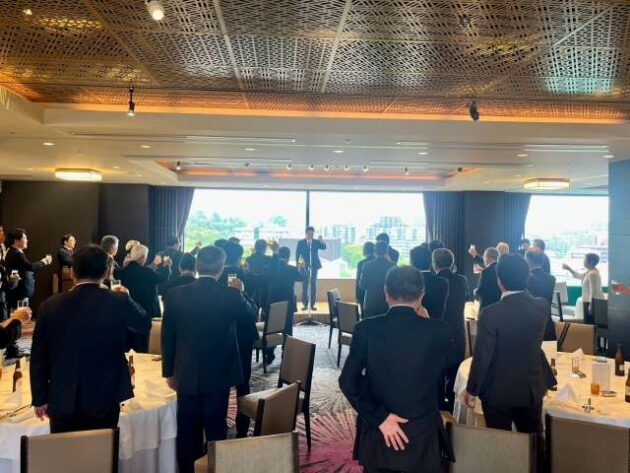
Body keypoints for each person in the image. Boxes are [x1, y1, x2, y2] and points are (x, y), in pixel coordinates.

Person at [340, 266, 453, 473]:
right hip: (423, 437)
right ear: (422, 295)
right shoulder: (440, 331)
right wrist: (426, 320)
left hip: (378, 437)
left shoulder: (365, 329)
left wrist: (380, 418)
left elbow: (348, 381)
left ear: (386, 293)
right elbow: (442, 370)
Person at [30, 245, 150, 433]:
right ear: (106, 272)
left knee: (62, 449)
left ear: (72, 272)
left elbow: (39, 356)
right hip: (106, 394)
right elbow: (144, 324)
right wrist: (128, 297)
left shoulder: (49, 305)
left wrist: (39, 398)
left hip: (63, 396)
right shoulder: (118, 301)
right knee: (103, 448)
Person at [162, 245, 257, 473]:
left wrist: (168, 372)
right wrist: (241, 291)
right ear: (221, 268)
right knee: (215, 429)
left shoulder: (175, 295)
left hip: (185, 371)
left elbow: (167, 336)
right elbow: (251, 315)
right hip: (220, 373)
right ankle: (216, 467)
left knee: (187, 429)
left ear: (197, 266)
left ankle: (187, 469)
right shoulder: (231, 295)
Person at [464, 255, 555, 449]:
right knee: (533, 444)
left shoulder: (490, 313)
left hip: (497, 391)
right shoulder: (541, 306)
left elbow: (483, 356)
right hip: (531, 387)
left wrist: (472, 389)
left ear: (499, 281)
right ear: (527, 277)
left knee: (500, 448)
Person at [433, 248, 469, 413]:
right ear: (452, 262)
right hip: (457, 331)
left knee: (438, 373)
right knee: (455, 372)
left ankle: (440, 407)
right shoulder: (461, 280)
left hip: (439, 332)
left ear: (435, 264)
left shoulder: (434, 282)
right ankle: (454, 410)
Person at [118, 244, 170, 352]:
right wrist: (166, 266)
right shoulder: (147, 272)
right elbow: (162, 277)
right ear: (142, 258)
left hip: (126, 311)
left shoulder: (122, 272)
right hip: (146, 312)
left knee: (127, 345)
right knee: (143, 346)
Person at [5, 228, 52, 311]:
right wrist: (44, 261)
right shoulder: (16, 253)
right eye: (24, 238)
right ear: (16, 240)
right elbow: (30, 267)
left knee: (20, 313)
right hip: (20, 292)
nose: (27, 240)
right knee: (21, 314)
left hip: (19, 291)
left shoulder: (14, 252)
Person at [267, 246, 302, 336]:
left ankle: (271, 343)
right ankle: (287, 342)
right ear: (288, 257)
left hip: (273, 299)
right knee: (288, 325)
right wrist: (301, 267)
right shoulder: (292, 269)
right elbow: (303, 277)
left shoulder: (270, 268)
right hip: (288, 300)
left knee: (272, 325)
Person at [409, 243, 448, 320]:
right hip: (436, 324)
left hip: (414, 324)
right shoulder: (442, 282)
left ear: (412, 263)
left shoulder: (409, 282)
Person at [562, 253, 604, 324]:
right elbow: (580, 276)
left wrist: (591, 305)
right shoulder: (590, 272)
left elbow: (594, 291)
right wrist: (568, 269)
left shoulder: (593, 274)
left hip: (591, 302)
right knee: (588, 322)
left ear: (591, 262)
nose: (583, 261)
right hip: (589, 302)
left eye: (585, 259)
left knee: (590, 323)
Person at [359, 241, 396, 319]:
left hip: (370, 303)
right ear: (387, 251)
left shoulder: (367, 265)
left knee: (370, 325)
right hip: (387, 303)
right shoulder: (393, 266)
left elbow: (362, 286)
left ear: (375, 251)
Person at [526, 249, 557, 341]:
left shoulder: (526, 278)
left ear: (528, 260)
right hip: (547, 322)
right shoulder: (551, 279)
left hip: (530, 324)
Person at [296, 227, 327, 311]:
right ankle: (305, 304)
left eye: (312, 234)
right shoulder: (301, 242)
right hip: (304, 266)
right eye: (309, 233)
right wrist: (299, 266)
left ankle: (312, 304)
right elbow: (298, 255)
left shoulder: (316, 242)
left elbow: (324, 247)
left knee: (313, 285)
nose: (311, 235)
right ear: (306, 233)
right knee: (305, 285)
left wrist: (321, 240)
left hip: (314, 266)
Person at [356, 242, 375, 313]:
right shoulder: (378, 262)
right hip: (378, 296)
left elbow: (358, 281)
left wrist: (357, 296)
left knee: (364, 315)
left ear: (364, 250)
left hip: (363, 294)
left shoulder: (361, 263)